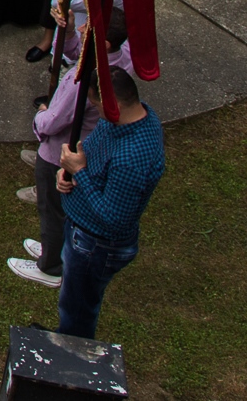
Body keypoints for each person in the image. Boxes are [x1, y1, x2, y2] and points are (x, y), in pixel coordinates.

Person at [13, 13, 134, 289]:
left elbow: (54, 121)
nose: (81, 27)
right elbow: (74, 50)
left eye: (86, 27)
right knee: (61, 211)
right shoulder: (118, 60)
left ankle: (50, 266)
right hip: (86, 146)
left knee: (51, 210)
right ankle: (53, 250)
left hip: (57, 152)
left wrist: (40, 117)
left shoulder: (83, 80)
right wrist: (66, 33)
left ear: (102, 44)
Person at [55, 68, 165, 338]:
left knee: (78, 309)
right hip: (84, 236)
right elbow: (93, 149)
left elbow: (114, 218)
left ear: (112, 106)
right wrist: (70, 170)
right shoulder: (125, 119)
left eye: (95, 105)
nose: (95, 111)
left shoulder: (132, 158)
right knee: (72, 300)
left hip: (96, 246)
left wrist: (80, 173)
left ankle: (70, 357)